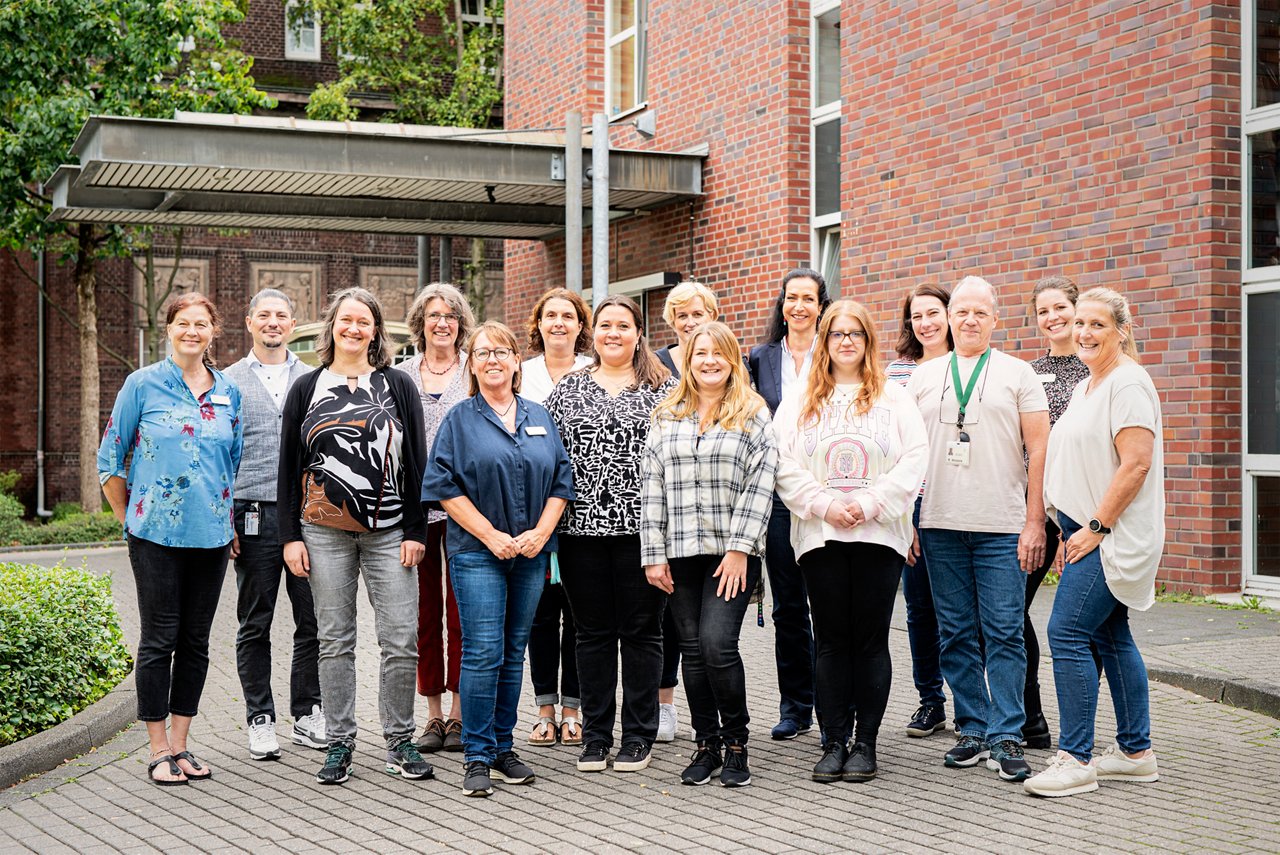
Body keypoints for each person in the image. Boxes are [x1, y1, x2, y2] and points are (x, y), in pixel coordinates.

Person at [278, 287, 432, 786]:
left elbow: (416, 464)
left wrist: (415, 528)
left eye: (363, 322)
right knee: (334, 640)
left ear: (376, 331)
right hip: (321, 532)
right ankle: (340, 744)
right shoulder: (307, 387)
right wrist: (290, 537)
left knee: (401, 639)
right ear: (332, 327)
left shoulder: (397, 385)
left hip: (391, 533)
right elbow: (288, 467)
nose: (353, 329)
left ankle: (399, 740)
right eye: (346, 320)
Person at [774, 300, 928, 783]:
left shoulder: (893, 397)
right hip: (821, 535)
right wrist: (823, 504)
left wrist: (871, 502)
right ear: (825, 340)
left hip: (879, 534)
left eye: (855, 334)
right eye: (837, 333)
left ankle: (866, 743)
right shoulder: (801, 398)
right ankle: (834, 739)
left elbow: (915, 457)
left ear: (868, 341)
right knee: (831, 640)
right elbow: (781, 461)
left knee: (870, 638)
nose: (845, 341)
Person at [421, 321, 575, 797]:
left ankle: (505, 747)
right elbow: (443, 486)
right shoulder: (460, 420)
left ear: (515, 361)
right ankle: (477, 754)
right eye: (483, 352)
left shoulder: (538, 415)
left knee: (513, 653)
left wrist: (540, 533)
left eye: (501, 352)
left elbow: (561, 481)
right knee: (484, 651)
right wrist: (490, 535)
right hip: (477, 553)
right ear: (472, 363)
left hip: (530, 553)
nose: (492, 360)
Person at [906, 275, 1049, 783]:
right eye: (960, 311)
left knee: (1004, 632)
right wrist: (908, 522)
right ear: (949, 318)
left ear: (995, 319)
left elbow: (1039, 451)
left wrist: (1035, 521)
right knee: (956, 632)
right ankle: (973, 726)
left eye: (979, 313)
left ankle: (1007, 735)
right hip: (939, 523)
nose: (968, 320)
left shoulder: (1018, 373)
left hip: (1003, 526)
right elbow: (905, 457)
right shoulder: (923, 377)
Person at [1025, 287, 1164, 798]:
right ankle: (1134, 752)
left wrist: (1097, 527)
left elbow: (1136, 464)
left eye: (1097, 325)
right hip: (1087, 531)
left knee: (1066, 633)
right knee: (1109, 636)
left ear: (1121, 330)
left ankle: (1075, 758)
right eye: (1079, 322)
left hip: (1111, 536)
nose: (1083, 332)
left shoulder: (1127, 383)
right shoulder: (1091, 382)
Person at [98, 293, 242, 786]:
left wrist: (225, 517)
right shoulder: (142, 384)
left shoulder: (228, 391)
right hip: (153, 535)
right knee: (159, 638)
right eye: (184, 323)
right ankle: (156, 748)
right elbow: (110, 458)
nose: (192, 332)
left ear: (213, 331)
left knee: (196, 641)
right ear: (169, 329)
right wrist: (129, 518)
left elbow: (232, 460)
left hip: (212, 537)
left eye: (202, 324)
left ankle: (181, 744)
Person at [643, 321, 778, 788]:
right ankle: (707, 745)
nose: (709, 361)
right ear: (688, 358)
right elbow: (652, 486)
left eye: (718, 353)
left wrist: (742, 550)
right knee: (692, 652)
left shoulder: (754, 413)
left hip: (730, 553)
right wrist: (652, 554)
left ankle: (737, 744)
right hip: (678, 552)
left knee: (718, 646)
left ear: (732, 359)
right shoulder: (666, 414)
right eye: (700, 353)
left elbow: (761, 487)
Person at [546, 295, 675, 773]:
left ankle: (638, 735)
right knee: (591, 633)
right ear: (593, 333)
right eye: (605, 326)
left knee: (642, 633)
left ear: (638, 333)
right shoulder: (569, 388)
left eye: (623, 325)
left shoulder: (665, 388)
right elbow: (553, 462)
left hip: (644, 533)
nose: (613, 333)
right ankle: (596, 735)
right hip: (580, 531)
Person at [224, 289, 324, 761]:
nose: (272, 322)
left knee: (315, 620)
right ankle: (260, 718)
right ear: (249, 322)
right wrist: (224, 513)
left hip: (309, 516)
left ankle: (307, 712)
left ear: (292, 324)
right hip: (253, 514)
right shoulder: (226, 382)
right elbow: (217, 453)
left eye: (281, 316)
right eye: (263, 315)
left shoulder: (315, 379)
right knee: (255, 621)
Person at [747, 268, 831, 741]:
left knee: (828, 604)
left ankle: (833, 707)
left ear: (821, 305)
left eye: (808, 298)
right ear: (782, 306)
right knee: (788, 608)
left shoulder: (836, 353)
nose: (798, 306)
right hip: (779, 497)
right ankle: (796, 706)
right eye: (791, 298)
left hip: (827, 493)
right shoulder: (760, 358)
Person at [395, 284, 475, 755]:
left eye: (449, 315)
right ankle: (432, 716)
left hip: (466, 511)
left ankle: (462, 716)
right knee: (422, 614)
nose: (441, 323)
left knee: (462, 612)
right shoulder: (401, 374)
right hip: (413, 513)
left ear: (460, 322)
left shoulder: (473, 370)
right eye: (433, 316)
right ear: (420, 324)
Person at [1021, 275, 1093, 748]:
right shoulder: (1027, 372)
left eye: (1059, 308)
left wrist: (1078, 525)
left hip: (1080, 513)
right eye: (1043, 311)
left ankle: (1084, 731)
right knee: (1009, 611)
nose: (1052, 318)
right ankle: (1030, 718)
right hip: (1032, 510)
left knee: (1083, 628)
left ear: (1076, 309)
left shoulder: (1096, 372)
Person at [521, 288, 592, 748]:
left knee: (580, 615)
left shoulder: (594, 371)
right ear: (539, 324)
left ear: (581, 326)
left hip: (585, 513)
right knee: (540, 616)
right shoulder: (521, 373)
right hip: (531, 511)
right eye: (551, 316)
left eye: (569, 316)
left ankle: (574, 710)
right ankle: (544, 709)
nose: (560, 323)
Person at [652, 281, 720, 741]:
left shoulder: (724, 357)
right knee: (667, 618)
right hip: (669, 506)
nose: (690, 321)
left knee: (707, 630)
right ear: (671, 321)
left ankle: (712, 711)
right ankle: (664, 704)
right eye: (682, 315)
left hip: (713, 512)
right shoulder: (655, 363)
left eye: (698, 313)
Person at [886, 283, 953, 739]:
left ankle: (975, 701)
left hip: (959, 499)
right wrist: (903, 512)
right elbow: (891, 443)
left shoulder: (970, 363)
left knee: (960, 610)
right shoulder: (897, 372)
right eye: (917, 316)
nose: (926, 323)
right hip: (913, 501)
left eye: (933, 312)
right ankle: (931, 700)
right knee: (919, 609)